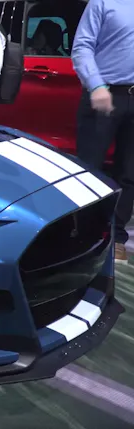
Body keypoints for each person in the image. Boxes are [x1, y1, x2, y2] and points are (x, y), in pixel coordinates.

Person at [71, 0, 134, 263]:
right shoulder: (103, 2)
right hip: (105, 92)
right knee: (89, 171)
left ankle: (116, 236)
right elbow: (82, 47)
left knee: (129, 172)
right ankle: (82, 235)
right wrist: (96, 85)